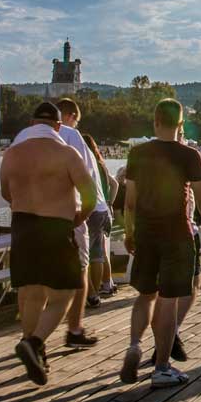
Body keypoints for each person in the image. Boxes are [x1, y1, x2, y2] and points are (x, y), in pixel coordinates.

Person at [120, 100, 201, 388]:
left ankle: (133, 346)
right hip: (177, 234)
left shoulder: (138, 153)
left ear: (154, 122)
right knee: (168, 300)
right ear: (181, 125)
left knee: (145, 294)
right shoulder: (188, 155)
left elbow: (129, 202)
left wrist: (129, 233)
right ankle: (162, 367)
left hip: (145, 233)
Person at [0, 103, 98, 384]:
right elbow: (90, 193)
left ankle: (33, 348)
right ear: (58, 126)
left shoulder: (13, 154)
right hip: (56, 226)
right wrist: (79, 216)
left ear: (32, 124)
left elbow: (7, 192)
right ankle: (34, 343)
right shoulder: (67, 153)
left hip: (23, 226)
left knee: (31, 294)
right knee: (64, 293)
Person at [78, 130, 119, 304]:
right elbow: (115, 183)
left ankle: (92, 294)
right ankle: (101, 289)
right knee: (98, 253)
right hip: (103, 210)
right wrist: (110, 202)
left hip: (92, 210)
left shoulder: (84, 162)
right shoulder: (100, 164)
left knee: (86, 255)